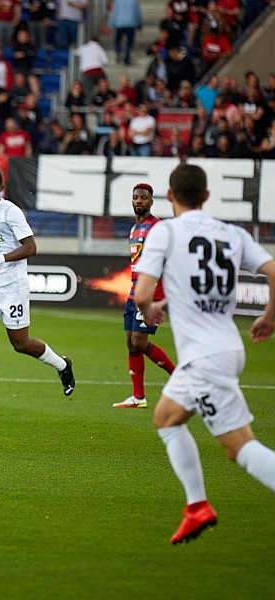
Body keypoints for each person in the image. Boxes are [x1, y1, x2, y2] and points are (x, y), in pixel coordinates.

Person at [134, 162, 275, 544]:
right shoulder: (232, 233)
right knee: (166, 418)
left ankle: (198, 505)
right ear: (207, 196)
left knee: (240, 448)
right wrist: (270, 316)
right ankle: (197, 506)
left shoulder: (165, 232)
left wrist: (150, 309)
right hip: (223, 346)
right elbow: (273, 271)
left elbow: (142, 293)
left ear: (169, 196)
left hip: (205, 358)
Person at [0, 169, 75, 415]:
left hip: (13, 287)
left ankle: (62, 365)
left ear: (1, 188)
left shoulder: (11, 211)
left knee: (20, 344)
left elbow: (31, 247)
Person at [113, 183, 175, 409]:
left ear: (151, 201)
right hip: (134, 290)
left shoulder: (157, 227)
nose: (139, 201)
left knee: (139, 340)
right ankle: (138, 397)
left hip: (151, 290)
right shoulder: (134, 229)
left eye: (144, 198)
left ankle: (178, 376)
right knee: (131, 341)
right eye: (136, 197)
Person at [108, 0, 143, 66]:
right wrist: (139, 23)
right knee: (129, 42)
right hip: (131, 23)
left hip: (119, 23)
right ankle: (127, 57)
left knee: (117, 40)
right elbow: (137, 12)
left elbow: (115, 12)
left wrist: (111, 24)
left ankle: (118, 52)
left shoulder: (118, 1)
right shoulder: (134, 1)